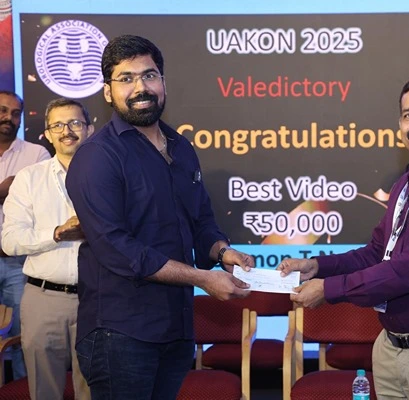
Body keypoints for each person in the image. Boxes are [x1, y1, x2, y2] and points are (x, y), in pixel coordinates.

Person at [278, 75, 409, 399]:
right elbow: (377, 252)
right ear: (400, 125)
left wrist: (329, 289)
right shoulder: (405, 185)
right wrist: (317, 266)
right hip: (389, 350)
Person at [65, 34, 253, 400]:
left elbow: (200, 221)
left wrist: (222, 251)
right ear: (108, 92)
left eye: (149, 76)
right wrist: (202, 278)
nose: (141, 87)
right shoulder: (97, 156)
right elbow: (116, 248)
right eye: (126, 78)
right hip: (121, 333)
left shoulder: (181, 148)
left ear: (163, 83)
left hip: (176, 329)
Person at [2, 97, 93, 399]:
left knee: (94, 389)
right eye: (58, 125)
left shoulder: (111, 175)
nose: (67, 131)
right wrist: (56, 234)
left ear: (90, 129)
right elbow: (10, 240)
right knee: (44, 391)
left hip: (98, 298)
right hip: (42, 298)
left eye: (75, 123)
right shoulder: (29, 179)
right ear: (48, 134)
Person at [0, 90, 50, 380]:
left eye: (15, 113)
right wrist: (4, 190)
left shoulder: (37, 155)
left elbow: (40, 206)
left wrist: (13, 190)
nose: (9, 117)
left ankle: (22, 392)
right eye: (3, 110)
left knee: (23, 337)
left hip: (19, 262)